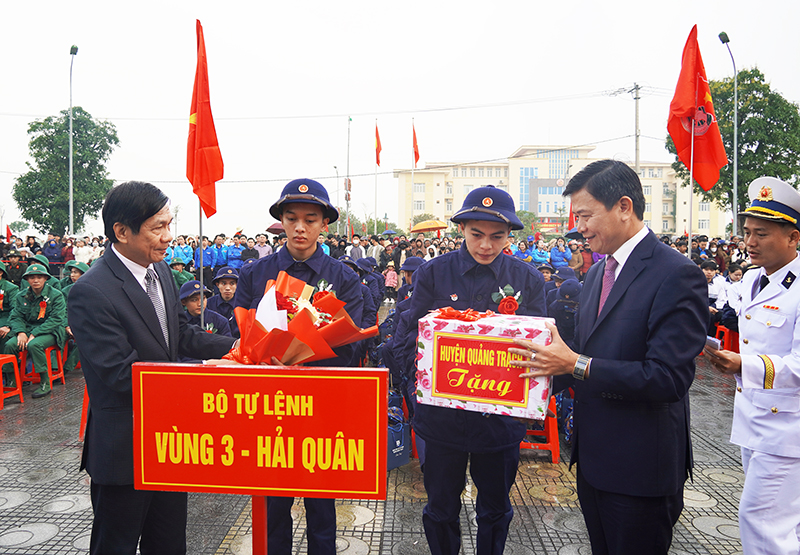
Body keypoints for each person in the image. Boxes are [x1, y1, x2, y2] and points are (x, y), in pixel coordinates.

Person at [508, 160, 707, 554]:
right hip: (594, 460)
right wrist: (520, 373)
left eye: (585, 215)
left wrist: (574, 364)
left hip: (642, 467)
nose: (579, 227)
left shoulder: (676, 273)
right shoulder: (598, 274)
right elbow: (580, 355)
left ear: (624, 207)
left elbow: (667, 378)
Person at [68, 181, 236, 555]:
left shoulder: (160, 273)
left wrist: (237, 348)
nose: (167, 237)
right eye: (157, 227)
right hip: (124, 448)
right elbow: (120, 373)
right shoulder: (91, 292)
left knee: (169, 542)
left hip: (168, 443)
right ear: (122, 231)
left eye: (169, 224)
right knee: (118, 544)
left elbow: (180, 335)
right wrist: (203, 373)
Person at [398, 185, 546, 555]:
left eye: (497, 237)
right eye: (476, 235)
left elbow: (544, 349)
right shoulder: (433, 274)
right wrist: (416, 392)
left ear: (509, 235)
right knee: (440, 507)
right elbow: (408, 335)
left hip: (499, 423)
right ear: (461, 229)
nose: (485, 246)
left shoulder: (528, 280)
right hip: (441, 421)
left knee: (495, 510)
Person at [234, 178, 363, 555]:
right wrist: (264, 355)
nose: (301, 227)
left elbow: (351, 349)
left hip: (321, 408)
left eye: (310, 219)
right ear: (281, 222)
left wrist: (306, 359)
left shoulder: (344, 278)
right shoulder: (256, 275)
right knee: (273, 505)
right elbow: (238, 336)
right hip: (269, 407)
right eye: (292, 218)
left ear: (325, 223)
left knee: (321, 506)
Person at [704, 176, 800, 555]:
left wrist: (745, 364)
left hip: (788, 427)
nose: (750, 242)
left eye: (761, 233)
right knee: (781, 522)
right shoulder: (754, 279)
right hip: (754, 420)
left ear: (793, 238)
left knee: (762, 524)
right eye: (747, 232)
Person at [2, 263, 67, 398]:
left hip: (51, 330)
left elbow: (56, 319)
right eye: (31, 278)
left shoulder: (56, 295)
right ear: (27, 280)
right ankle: (12, 379)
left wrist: (34, 334)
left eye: (39, 277)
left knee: (34, 344)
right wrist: (20, 332)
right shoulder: (22, 296)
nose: (35, 280)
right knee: (10, 344)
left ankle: (45, 381)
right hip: (27, 329)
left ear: (45, 279)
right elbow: (16, 316)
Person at [207, 266, 239, 338]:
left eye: (232, 283)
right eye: (224, 283)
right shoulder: (209, 304)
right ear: (217, 285)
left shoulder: (243, 304)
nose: (227, 288)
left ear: (237, 285)